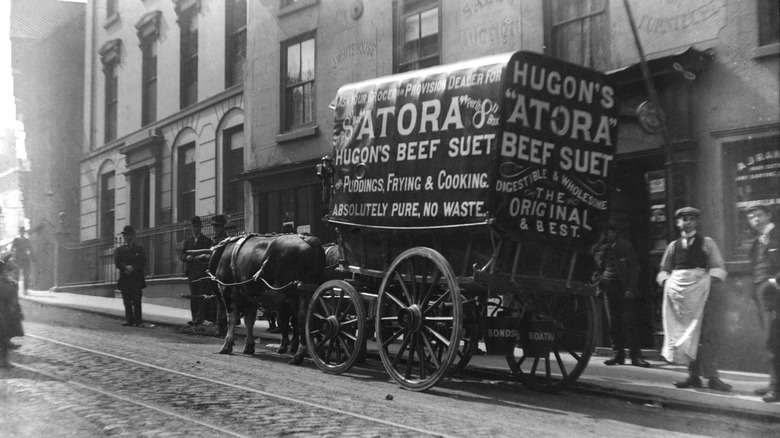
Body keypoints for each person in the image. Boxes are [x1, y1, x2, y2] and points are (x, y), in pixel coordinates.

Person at [656, 207, 731, 392]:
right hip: (681, 298)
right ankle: (693, 376)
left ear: (697, 222)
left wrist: (706, 283)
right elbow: (664, 269)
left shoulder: (707, 243)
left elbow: (716, 265)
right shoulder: (673, 246)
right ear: (677, 223)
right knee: (686, 335)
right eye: (683, 219)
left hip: (703, 296)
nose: (687, 222)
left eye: (691, 219)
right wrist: (667, 281)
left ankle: (713, 377)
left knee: (706, 335)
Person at [593, 220, 650, 368]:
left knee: (629, 324)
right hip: (608, 289)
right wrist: (600, 280)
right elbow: (595, 269)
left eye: (610, 232)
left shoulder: (625, 246)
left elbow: (634, 268)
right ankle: (617, 355)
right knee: (613, 325)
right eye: (606, 232)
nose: (608, 234)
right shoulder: (601, 249)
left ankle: (636, 356)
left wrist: (631, 288)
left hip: (624, 289)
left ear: (616, 233)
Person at [746, 205, 780, 403]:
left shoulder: (777, 235)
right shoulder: (756, 241)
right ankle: (774, 382)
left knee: (773, 339)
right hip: (761, 293)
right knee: (770, 340)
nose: (755, 220)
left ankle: (776, 388)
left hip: (775, 292)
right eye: (751, 217)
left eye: (759, 215)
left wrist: (774, 282)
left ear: (768, 215)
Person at [181, 215, 213, 326]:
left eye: (198, 227)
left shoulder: (207, 241)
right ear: (191, 228)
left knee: (201, 295)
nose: (196, 229)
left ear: (201, 227)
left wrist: (201, 257)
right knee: (193, 295)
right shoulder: (187, 242)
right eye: (194, 227)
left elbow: (209, 254)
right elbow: (182, 255)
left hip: (202, 272)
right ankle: (194, 317)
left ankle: (200, 318)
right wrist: (186, 257)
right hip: (192, 272)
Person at [115, 225, 147, 327]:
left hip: (136, 278)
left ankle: (138, 321)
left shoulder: (139, 249)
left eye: (129, 235)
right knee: (127, 300)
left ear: (133, 236)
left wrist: (132, 268)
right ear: (124, 237)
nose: (127, 237)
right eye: (125, 235)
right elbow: (117, 262)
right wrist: (125, 267)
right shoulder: (120, 250)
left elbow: (142, 261)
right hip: (125, 278)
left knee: (137, 300)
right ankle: (129, 320)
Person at [0, 254, 23, 367]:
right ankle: (3, 361)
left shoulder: (6, 283)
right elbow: (11, 300)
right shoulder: (5, 284)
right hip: (2, 315)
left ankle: (3, 361)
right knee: (2, 337)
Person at [211, 215, 229, 336]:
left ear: (223, 227)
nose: (215, 228)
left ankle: (222, 326)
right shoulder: (215, 239)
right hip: (214, 272)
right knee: (218, 299)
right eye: (214, 226)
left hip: (224, 273)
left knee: (223, 299)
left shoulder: (226, 240)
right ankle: (219, 325)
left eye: (218, 226)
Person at [11, 226, 33, 295]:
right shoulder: (16, 240)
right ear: (19, 232)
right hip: (17, 260)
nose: (22, 233)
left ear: (24, 232)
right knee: (16, 276)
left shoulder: (27, 240)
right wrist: (11, 257)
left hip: (25, 259)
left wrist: (33, 258)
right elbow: (12, 250)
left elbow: (31, 250)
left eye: (23, 232)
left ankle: (25, 290)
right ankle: (15, 290)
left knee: (26, 275)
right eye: (21, 232)